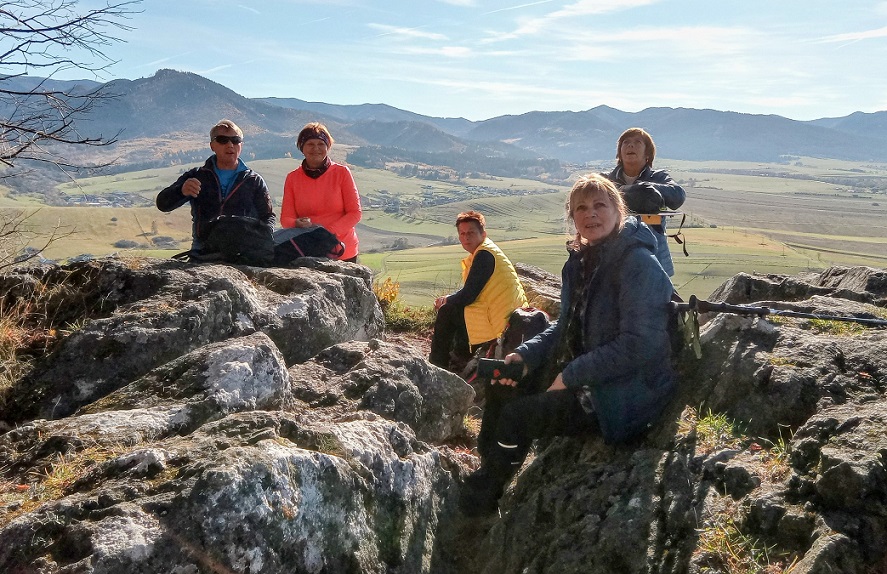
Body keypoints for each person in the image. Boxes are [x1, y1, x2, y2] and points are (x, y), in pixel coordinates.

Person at [460, 174, 676, 517]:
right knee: (506, 381)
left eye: (600, 205)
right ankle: (490, 469)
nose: (591, 214)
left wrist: (572, 375)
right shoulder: (583, 259)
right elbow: (567, 322)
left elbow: (641, 345)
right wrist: (525, 354)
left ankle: (485, 499)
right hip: (592, 371)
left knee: (519, 416)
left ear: (619, 211)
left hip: (626, 392)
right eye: (581, 208)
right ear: (572, 218)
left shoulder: (637, 263)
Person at [429, 211, 527, 371]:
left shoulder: (484, 255)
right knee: (458, 308)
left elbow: (468, 296)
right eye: (463, 233)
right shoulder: (487, 251)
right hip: (505, 315)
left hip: (500, 322)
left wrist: (446, 299)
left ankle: (436, 366)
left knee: (448, 310)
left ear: (483, 234)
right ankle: (460, 356)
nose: (466, 237)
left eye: (471, 233)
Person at [156, 119, 275, 252]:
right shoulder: (197, 175)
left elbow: (268, 216)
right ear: (212, 145)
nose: (230, 145)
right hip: (204, 249)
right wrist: (180, 191)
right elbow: (162, 204)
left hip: (242, 249)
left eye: (235, 140)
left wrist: (261, 241)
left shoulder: (253, 180)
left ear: (241, 145)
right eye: (222, 140)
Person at [604, 127, 685, 276]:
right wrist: (635, 192)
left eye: (637, 142)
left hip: (654, 251)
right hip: (615, 251)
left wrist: (648, 190)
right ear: (619, 153)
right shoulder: (606, 180)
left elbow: (678, 196)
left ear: (648, 153)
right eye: (625, 142)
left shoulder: (659, 177)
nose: (630, 145)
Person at [281, 122, 362, 262]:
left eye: (321, 144)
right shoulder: (293, 178)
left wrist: (327, 232)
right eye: (310, 144)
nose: (316, 149)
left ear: (328, 147)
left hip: (342, 251)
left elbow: (355, 213)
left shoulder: (342, 173)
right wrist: (296, 223)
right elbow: (285, 219)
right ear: (302, 148)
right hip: (308, 250)